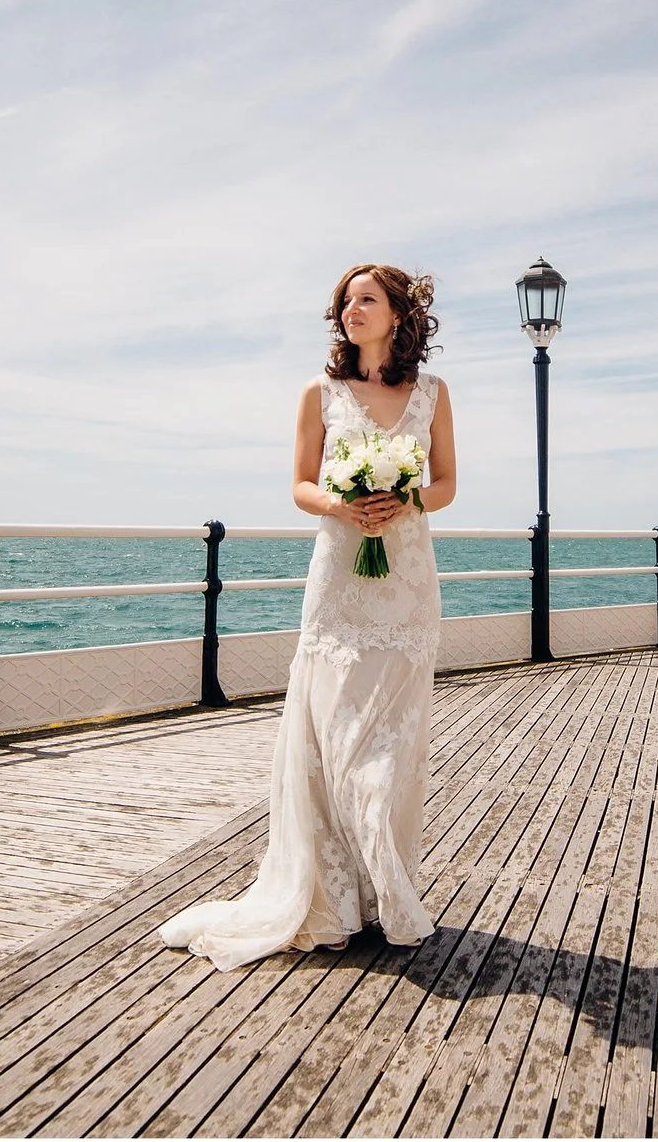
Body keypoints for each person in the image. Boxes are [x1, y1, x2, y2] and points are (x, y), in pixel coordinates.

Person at [158, 263, 457, 970]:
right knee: (333, 744)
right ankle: (329, 901)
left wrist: (405, 501)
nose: (351, 310)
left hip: (407, 585)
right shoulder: (318, 392)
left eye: (366, 299)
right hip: (339, 586)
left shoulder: (434, 393)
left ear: (396, 314)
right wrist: (341, 503)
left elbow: (446, 483)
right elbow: (299, 482)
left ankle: (386, 891)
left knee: (393, 751)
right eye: (345, 301)